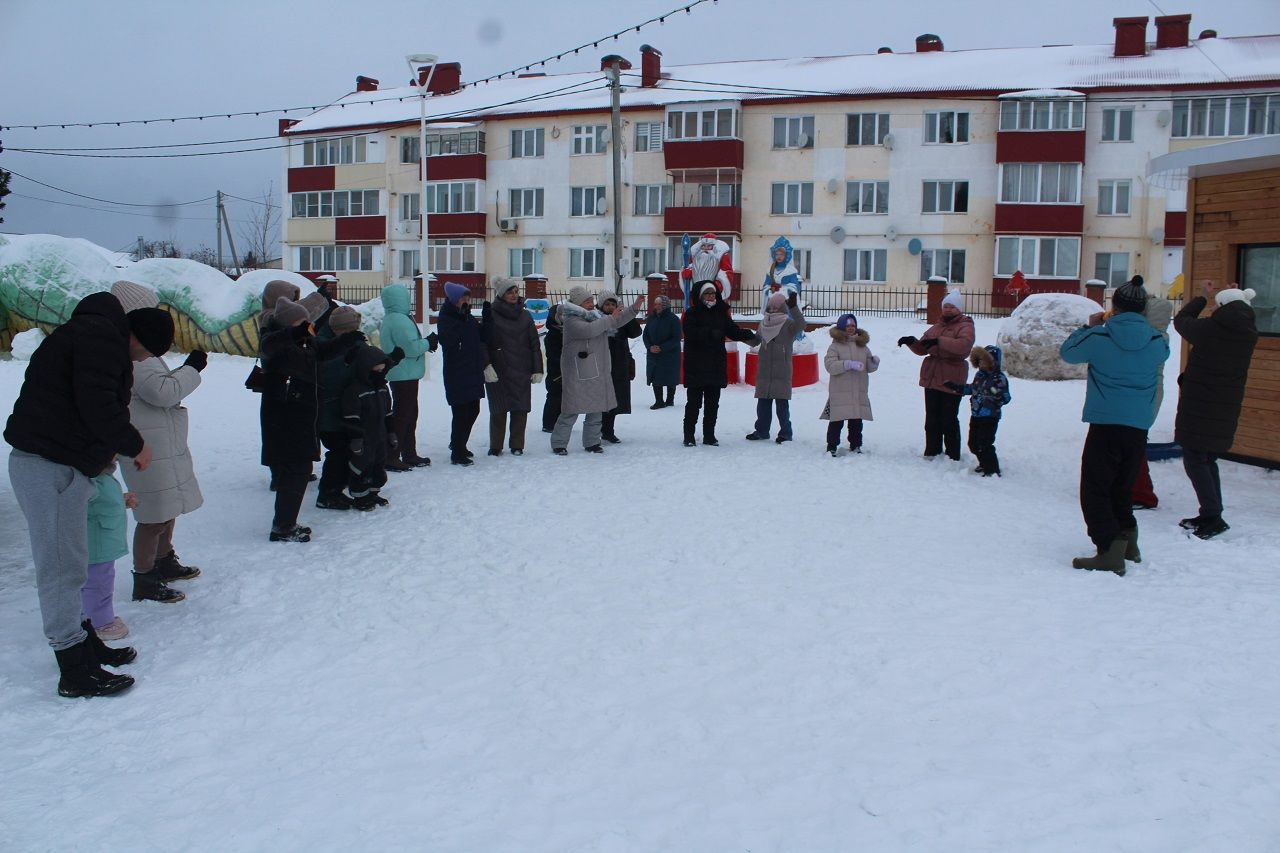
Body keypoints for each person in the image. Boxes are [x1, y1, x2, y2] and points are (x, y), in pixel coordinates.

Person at [6, 291, 148, 697]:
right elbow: (100, 406)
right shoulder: (98, 340)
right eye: (145, 353)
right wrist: (134, 444)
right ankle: (73, 670)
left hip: (59, 464)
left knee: (73, 562)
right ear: (133, 335)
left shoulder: (83, 335)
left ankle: (85, 644)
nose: (141, 362)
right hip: (48, 467)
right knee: (60, 569)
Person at [1060, 279, 1170, 575]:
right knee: (1123, 485)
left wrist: (1090, 326)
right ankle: (1128, 541)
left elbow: (1068, 352)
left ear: (1114, 306)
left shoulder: (1100, 337)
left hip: (1106, 422)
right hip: (1137, 425)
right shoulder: (1157, 342)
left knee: (1095, 488)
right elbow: (1162, 352)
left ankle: (1109, 549)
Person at [119, 307, 206, 604]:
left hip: (159, 439)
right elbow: (161, 392)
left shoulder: (142, 350)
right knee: (153, 514)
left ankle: (164, 559)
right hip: (146, 444)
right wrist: (192, 369)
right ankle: (144, 577)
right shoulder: (137, 357)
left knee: (166, 507)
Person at [260, 297, 355, 541]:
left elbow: (321, 352)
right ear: (290, 324)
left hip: (302, 414)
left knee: (298, 469)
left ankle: (284, 523)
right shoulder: (276, 342)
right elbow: (268, 347)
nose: (308, 326)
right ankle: (283, 526)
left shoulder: (303, 341)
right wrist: (292, 333)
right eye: (303, 322)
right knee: (297, 469)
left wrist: (344, 341)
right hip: (286, 417)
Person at [1172, 282, 1260, 540]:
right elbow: (1234, 312)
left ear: (1222, 308)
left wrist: (1202, 297)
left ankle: (1213, 516)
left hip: (1201, 405)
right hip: (1225, 405)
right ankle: (1211, 512)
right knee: (1207, 458)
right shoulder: (1247, 331)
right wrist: (1225, 300)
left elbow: (1181, 320)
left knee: (1196, 459)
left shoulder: (1210, 329)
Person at [551, 287, 644, 455]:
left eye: (591, 301)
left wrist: (634, 308)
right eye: (587, 301)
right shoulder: (571, 319)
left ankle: (592, 442)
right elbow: (590, 330)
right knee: (571, 410)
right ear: (578, 303)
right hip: (578, 372)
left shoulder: (595, 316)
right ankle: (559, 443)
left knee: (596, 410)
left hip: (597, 370)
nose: (591, 304)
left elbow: (616, 321)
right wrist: (611, 318)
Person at [898, 291, 975, 461]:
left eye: (952, 307)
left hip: (952, 377)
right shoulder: (937, 327)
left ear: (958, 309)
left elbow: (963, 346)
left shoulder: (965, 325)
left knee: (948, 418)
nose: (948, 310)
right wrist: (912, 342)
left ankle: (952, 454)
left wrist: (940, 342)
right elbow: (923, 349)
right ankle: (932, 451)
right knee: (932, 418)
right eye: (945, 306)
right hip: (932, 377)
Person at [681, 282, 756, 447]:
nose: (710, 297)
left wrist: (746, 334)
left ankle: (709, 435)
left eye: (713, 294)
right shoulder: (692, 313)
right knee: (694, 403)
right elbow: (690, 332)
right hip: (696, 364)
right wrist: (710, 333)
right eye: (707, 294)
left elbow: (731, 330)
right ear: (700, 296)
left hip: (715, 364)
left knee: (712, 404)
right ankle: (689, 436)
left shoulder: (721, 313)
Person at [481, 279, 544, 456]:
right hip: (499, 367)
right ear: (501, 295)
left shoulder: (525, 316)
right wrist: (486, 365)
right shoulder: (491, 314)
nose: (514, 295)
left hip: (521, 367)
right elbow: (483, 343)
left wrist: (537, 368)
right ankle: (496, 445)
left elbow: (534, 343)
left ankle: (517, 445)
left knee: (520, 407)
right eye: (510, 292)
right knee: (499, 408)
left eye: (516, 291)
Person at [380, 283, 437, 471]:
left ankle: (408, 453)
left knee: (409, 414)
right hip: (404, 373)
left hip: (403, 372)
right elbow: (410, 348)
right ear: (400, 299)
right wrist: (428, 342)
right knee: (403, 415)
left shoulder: (393, 318)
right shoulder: (399, 320)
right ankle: (393, 455)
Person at [316, 306, 367, 510]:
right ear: (339, 330)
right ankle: (327, 494)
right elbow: (329, 375)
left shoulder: (346, 342)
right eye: (348, 331)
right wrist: (349, 360)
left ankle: (336, 489)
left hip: (343, 407)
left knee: (345, 449)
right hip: (329, 409)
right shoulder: (322, 345)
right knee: (338, 451)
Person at [342, 343, 403, 509]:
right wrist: (356, 438)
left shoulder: (383, 388)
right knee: (362, 466)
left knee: (378, 464)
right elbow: (351, 416)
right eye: (376, 370)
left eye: (383, 370)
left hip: (380, 435)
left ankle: (373, 493)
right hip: (364, 437)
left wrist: (391, 433)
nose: (380, 373)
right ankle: (360, 497)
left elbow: (388, 413)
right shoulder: (355, 390)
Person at [82, 462, 136, 641]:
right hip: (97, 542)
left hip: (101, 539)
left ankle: (88, 616)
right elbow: (86, 502)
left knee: (96, 580)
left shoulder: (100, 475)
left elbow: (100, 502)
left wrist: (120, 501)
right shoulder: (89, 477)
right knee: (98, 583)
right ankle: (100, 623)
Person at [1131, 292, 1174, 509]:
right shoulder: (1159, 336)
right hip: (1150, 393)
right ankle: (1137, 491)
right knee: (1135, 443)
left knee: (1134, 446)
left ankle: (1142, 495)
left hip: (1145, 395)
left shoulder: (1147, 338)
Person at [745, 291, 805, 443]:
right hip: (765, 370)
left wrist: (794, 308)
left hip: (781, 370)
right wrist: (742, 335)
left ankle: (786, 433)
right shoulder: (763, 323)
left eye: (776, 307)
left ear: (783, 308)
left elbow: (801, 325)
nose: (772, 310)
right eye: (770, 306)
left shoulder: (788, 324)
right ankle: (761, 431)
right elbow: (756, 340)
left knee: (782, 406)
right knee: (763, 404)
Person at [437, 282, 485, 466]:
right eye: (463, 297)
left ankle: (459, 444)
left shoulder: (467, 317)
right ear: (454, 299)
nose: (466, 300)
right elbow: (448, 341)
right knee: (461, 411)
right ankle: (457, 451)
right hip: (457, 370)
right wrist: (461, 321)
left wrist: (486, 321)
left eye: (468, 297)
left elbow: (480, 337)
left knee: (474, 409)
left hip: (472, 369)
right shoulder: (447, 317)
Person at [945, 345, 1011, 477]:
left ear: (992, 361)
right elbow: (973, 389)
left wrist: (993, 392)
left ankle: (992, 469)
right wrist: (958, 388)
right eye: (979, 360)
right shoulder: (979, 375)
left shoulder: (999, 378)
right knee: (973, 443)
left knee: (984, 443)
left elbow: (1005, 397)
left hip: (990, 416)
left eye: (984, 360)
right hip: (976, 414)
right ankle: (983, 463)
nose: (981, 363)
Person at [820, 314, 878, 456]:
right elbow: (830, 366)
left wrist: (873, 363)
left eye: (853, 326)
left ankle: (856, 445)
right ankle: (832, 446)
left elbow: (868, 367)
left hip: (858, 390)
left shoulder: (862, 346)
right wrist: (847, 364)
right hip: (840, 390)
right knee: (837, 421)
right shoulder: (835, 346)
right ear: (841, 327)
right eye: (847, 326)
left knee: (856, 422)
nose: (851, 328)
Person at [598, 290, 643, 444]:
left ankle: (608, 431)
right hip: (601, 364)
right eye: (607, 304)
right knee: (600, 400)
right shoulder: (597, 319)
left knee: (615, 400)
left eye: (613, 304)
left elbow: (636, 332)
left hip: (619, 364)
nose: (610, 307)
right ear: (601, 305)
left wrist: (627, 317)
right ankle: (596, 429)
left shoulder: (621, 319)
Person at [643, 295, 681, 409]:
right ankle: (659, 401)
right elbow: (646, 335)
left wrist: (662, 347)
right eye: (655, 304)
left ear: (665, 305)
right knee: (655, 376)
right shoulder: (652, 318)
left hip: (670, 354)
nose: (657, 306)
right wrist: (650, 347)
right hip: (653, 353)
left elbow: (676, 337)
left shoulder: (673, 319)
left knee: (670, 377)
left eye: (659, 304)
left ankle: (670, 400)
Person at [680, 233, 734, 304]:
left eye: (709, 246)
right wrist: (686, 275)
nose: (705, 249)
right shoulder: (695, 259)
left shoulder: (720, 258)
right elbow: (687, 272)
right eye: (703, 246)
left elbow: (726, 275)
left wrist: (714, 287)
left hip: (714, 301)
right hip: (695, 300)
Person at [542, 303, 565, 432]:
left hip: (567, 370)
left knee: (563, 398)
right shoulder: (553, 334)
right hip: (555, 371)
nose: (563, 317)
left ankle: (559, 421)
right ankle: (548, 423)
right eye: (561, 315)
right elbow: (553, 354)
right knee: (554, 397)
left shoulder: (567, 331)